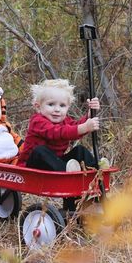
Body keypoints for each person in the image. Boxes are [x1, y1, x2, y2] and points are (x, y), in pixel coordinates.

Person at [17, 79, 102, 211]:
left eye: (62, 106)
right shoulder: (38, 121)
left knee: (80, 150)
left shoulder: (64, 120)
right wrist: (85, 127)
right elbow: (58, 133)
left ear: (68, 107)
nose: (57, 110)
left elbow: (74, 127)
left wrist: (89, 116)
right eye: (51, 104)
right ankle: (69, 175)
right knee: (40, 150)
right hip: (33, 165)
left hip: (56, 165)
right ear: (38, 106)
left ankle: (95, 176)